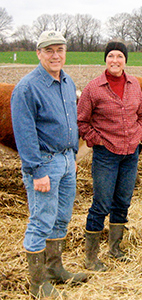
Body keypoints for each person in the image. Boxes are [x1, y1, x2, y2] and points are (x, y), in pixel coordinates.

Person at [11, 30, 87, 299]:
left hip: (66, 160)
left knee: (61, 218)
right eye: (49, 50)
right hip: (44, 162)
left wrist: (73, 156)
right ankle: (38, 284)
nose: (56, 56)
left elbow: (70, 121)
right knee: (41, 221)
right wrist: (36, 170)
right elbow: (25, 132)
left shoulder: (67, 81)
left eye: (60, 50)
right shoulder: (27, 87)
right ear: (38, 53)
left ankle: (56, 270)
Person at [77, 41, 142, 271]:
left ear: (125, 60)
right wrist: (98, 140)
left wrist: (141, 134)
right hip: (106, 155)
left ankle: (115, 249)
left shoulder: (134, 84)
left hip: (131, 154)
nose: (115, 60)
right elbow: (81, 121)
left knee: (122, 202)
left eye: (119, 56)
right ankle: (91, 258)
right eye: (111, 56)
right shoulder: (93, 88)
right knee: (101, 204)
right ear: (105, 60)